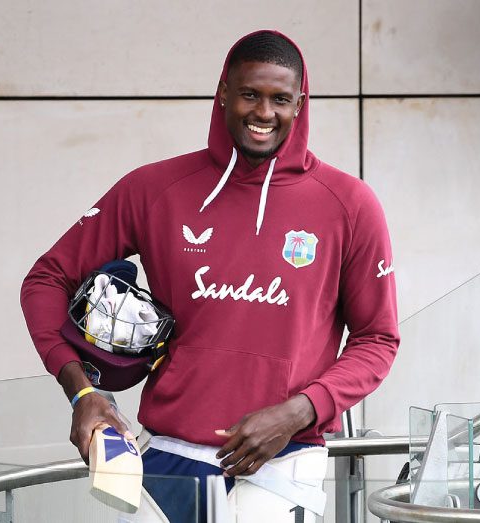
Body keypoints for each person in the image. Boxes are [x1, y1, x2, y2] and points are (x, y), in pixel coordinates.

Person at [20, 30, 399, 522]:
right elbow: (46, 279)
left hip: (284, 460)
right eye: (250, 95)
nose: (265, 113)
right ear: (222, 92)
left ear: (301, 103)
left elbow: (378, 338)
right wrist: (83, 392)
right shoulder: (155, 189)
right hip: (169, 460)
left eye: (281, 99)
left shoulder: (349, 205)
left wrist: (298, 411)